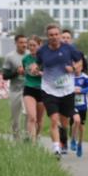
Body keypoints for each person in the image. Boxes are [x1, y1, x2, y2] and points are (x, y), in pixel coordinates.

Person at [36, 25, 77, 158]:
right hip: (49, 89)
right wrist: (34, 68)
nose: (54, 37)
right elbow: (37, 64)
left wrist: (74, 68)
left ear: (59, 35)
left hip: (67, 90)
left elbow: (80, 62)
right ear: (47, 37)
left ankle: (63, 135)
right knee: (54, 120)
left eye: (56, 34)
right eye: (51, 35)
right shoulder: (42, 51)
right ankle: (56, 148)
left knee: (64, 122)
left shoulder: (69, 48)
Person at [59, 29, 85, 150]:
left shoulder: (78, 54)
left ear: (71, 40)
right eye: (63, 37)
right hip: (60, 90)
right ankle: (63, 142)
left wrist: (82, 86)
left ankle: (74, 139)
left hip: (76, 92)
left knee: (76, 119)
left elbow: (84, 71)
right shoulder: (55, 54)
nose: (65, 39)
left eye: (68, 37)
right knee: (62, 119)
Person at [2, 35, 28, 140]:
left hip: (28, 89)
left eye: (25, 42)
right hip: (15, 90)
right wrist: (16, 72)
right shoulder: (10, 57)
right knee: (15, 118)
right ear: (16, 43)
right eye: (21, 42)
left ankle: (28, 137)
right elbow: (5, 76)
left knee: (29, 114)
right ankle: (16, 139)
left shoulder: (31, 55)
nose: (24, 45)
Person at [22, 36, 45, 144]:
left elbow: (51, 75)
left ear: (40, 45)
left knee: (39, 121)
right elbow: (25, 72)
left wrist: (39, 73)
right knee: (32, 117)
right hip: (29, 89)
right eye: (30, 45)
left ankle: (36, 135)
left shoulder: (45, 58)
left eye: (34, 45)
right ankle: (33, 143)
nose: (31, 48)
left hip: (42, 90)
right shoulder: (25, 59)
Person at [71, 62, 88, 158]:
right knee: (76, 120)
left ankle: (80, 144)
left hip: (83, 105)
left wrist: (81, 90)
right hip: (72, 104)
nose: (76, 68)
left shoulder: (84, 77)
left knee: (81, 126)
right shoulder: (69, 77)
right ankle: (73, 139)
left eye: (78, 67)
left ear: (81, 68)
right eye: (74, 67)